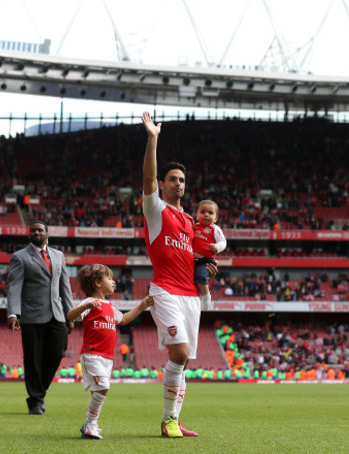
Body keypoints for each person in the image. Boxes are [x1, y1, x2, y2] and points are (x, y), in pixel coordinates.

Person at [140, 111, 217, 438]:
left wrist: (206, 268)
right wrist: (153, 138)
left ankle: (171, 419)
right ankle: (168, 420)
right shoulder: (156, 209)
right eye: (172, 179)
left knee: (183, 362)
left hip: (190, 295)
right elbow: (147, 179)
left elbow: (197, 254)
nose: (178, 183)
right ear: (162, 184)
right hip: (165, 290)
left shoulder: (191, 222)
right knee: (181, 353)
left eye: (182, 180)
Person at [67, 264, 154, 439]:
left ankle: (91, 425)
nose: (113, 282)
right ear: (98, 282)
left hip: (107, 358)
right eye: (109, 278)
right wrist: (86, 307)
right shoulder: (89, 302)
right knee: (104, 387)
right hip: (91, 354)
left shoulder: (110, 306)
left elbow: (124, 320)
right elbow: (70, 316)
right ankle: (90, 424)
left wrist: (142, 306)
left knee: (97, 391)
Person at [6, 221, 75, 415]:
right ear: (30, 234)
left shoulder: (58, 256)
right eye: (33, 230)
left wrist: (70, 313)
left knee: (57, 353)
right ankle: (35, 400)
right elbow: (14, 287)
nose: (36, 232)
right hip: (31, 316)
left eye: (40, 230)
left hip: (57, 314)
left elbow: (65, 287)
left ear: (47, 234)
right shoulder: (19, 257)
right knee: (33, 360)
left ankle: (39, 392)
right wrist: (13, 313)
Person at [192, 200, 226, 308]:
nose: (206, 214)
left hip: (206, 261)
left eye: (210, 213)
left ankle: (206, 296)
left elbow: (223, 242)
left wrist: (217, 247)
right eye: (202, 212)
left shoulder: (215, 229)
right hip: (192, 259)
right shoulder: (194, 227)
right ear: (197, 215)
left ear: (216, 218)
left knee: (200, 275)